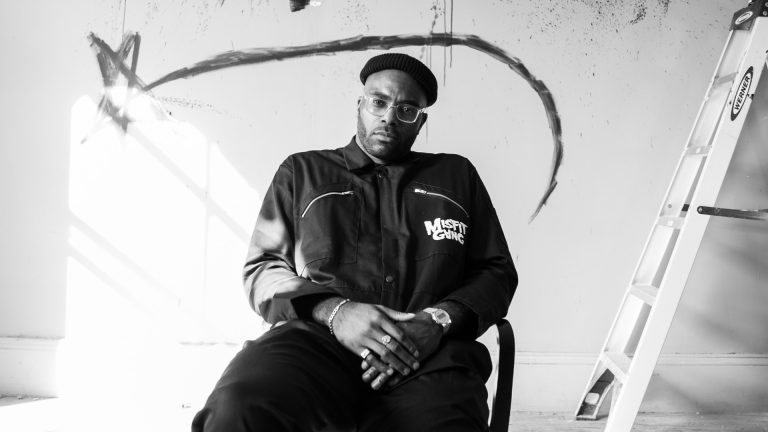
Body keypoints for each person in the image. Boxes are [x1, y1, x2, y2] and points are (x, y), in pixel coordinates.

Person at [192, 52, 517, 432]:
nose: (389, 117)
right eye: (379, 102)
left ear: (420, 122)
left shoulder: (456, 176)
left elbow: (495, 271)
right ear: (360, 105)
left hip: (429, 353)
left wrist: (437, 321)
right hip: (318, 343)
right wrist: (336, 312)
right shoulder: (303, 171)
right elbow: (264, 269)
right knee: (238, 408)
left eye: (407, 109)